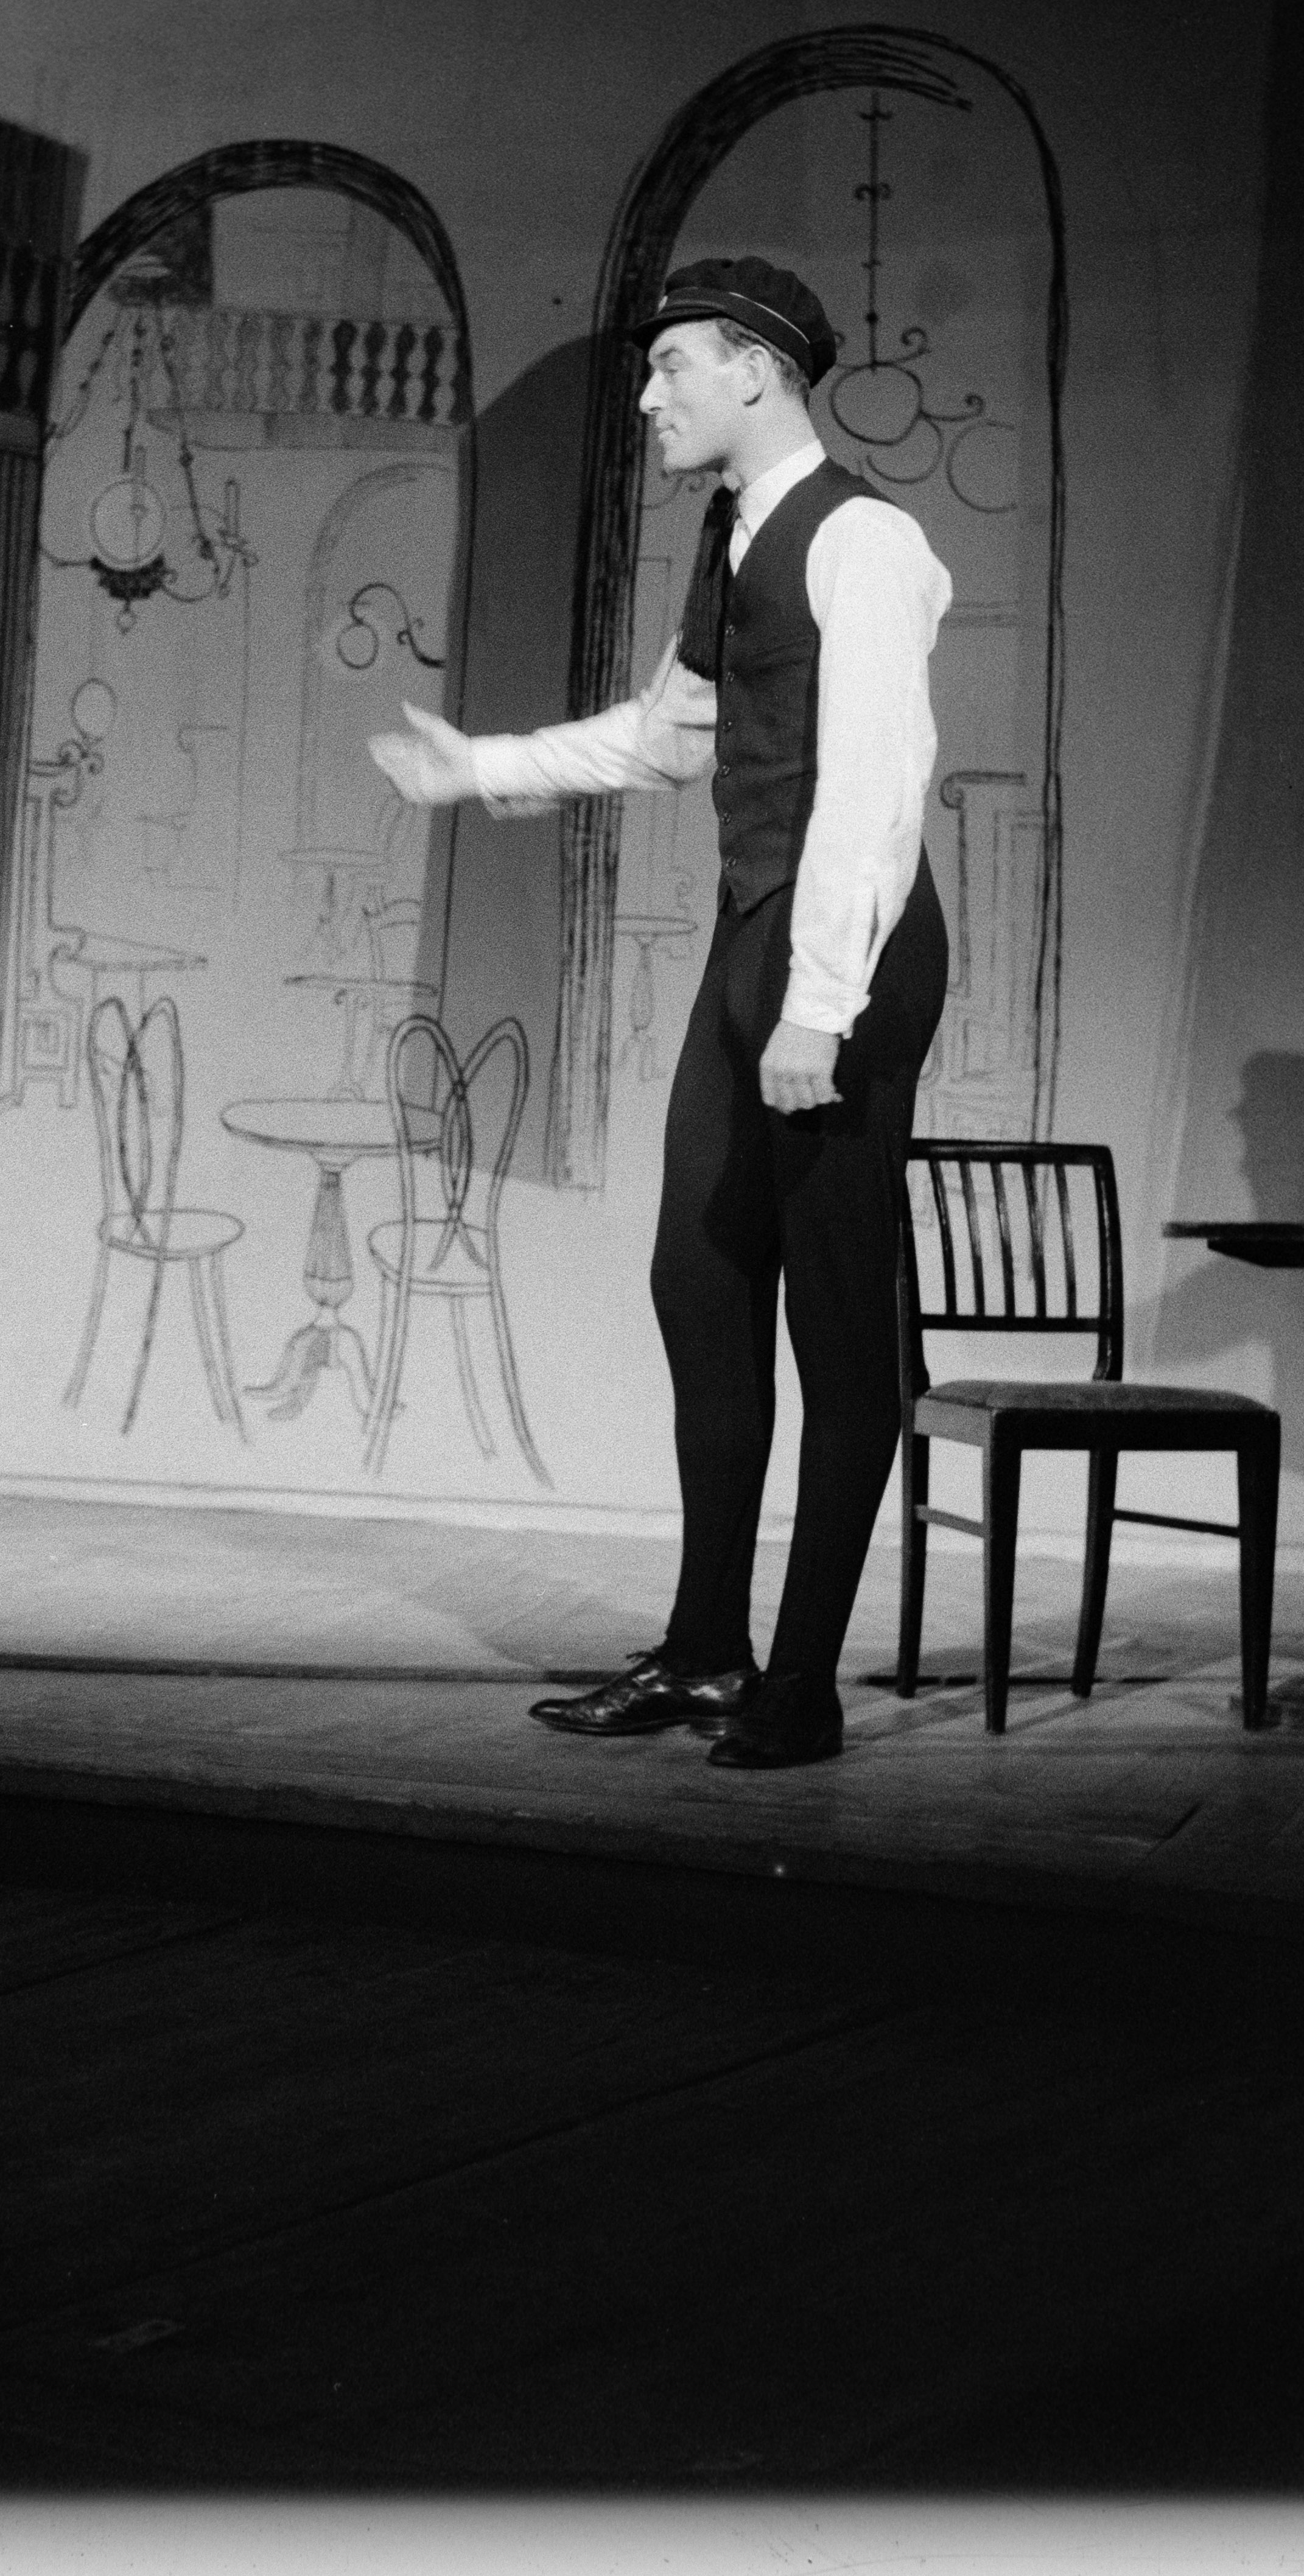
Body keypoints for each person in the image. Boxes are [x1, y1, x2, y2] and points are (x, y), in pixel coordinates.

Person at [369, 255, 951, 1768]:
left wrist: (819, 1008)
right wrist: (483, 768)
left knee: (835, 1324)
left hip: (844, 954)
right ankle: (704, 1652)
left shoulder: (863, 540)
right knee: (699, 1279)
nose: (648, 396)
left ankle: (800, 1685)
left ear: (754, 367)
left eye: (669, 364)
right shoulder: (731, 533)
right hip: (757, 937)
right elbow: (668, 738)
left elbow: (875, 792)